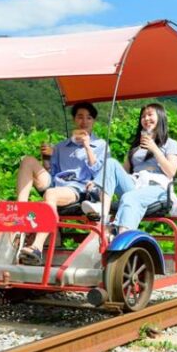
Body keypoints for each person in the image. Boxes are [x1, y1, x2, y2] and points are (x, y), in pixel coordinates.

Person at [15, 102, 106, 265]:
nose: (84, 121)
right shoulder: (61, 146)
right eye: (80, 117)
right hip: (57, 184)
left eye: (88, 118)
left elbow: (98, 173)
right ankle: (19, 214)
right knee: (28, 161)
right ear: (74, 120)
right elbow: (52, 173)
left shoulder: (100, 145)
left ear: (94, 121)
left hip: (79, 188)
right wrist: (46, 159)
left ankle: (37, 246)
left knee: (51, 194)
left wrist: (86, 146)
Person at [81, 103, 177, 236]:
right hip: (136, 184)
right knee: (111, 163)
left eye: (150, 115)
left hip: (158, 188)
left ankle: (122, 234)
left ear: (160, 117)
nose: (146, 119)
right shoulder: (136, 147)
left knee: (130, 197)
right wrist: (97, 182)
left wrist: (154, 148)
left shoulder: (170, 144)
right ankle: (103, 214)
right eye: (143, 116)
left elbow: (171, 172)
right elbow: (121, 172)